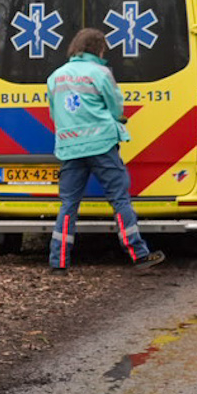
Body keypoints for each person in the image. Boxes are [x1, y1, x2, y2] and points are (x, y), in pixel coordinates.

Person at [46, 27, 162, 274]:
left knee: (68, 204)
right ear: (98, 49)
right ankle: (139, 255)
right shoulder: (100, 73)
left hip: (69, 147)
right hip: (101, 145)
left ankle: (58, 261)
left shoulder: (55, 76)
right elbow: (116, 108)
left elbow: (54, 113)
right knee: (119, 199)